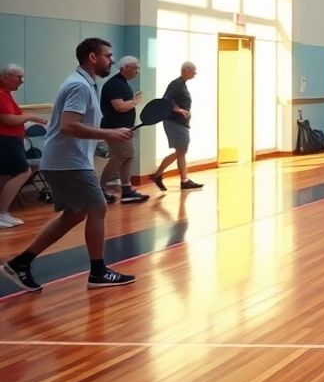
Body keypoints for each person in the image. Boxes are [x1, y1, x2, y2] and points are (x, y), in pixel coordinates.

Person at [1, 38, 137, 291]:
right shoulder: (79, 86)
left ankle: (21, 263)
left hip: (66, 161)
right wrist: (109, 134)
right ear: (92, 57)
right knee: (97, 208)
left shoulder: (85, 83)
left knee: (74, 214)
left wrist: (104, 136)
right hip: (68, 163)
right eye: (107, 55)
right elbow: (69, 125)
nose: (112, 60)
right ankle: (98, 272)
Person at [0, 64, 48, 228]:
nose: (21, 81)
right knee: (23, 171)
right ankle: (2, 213)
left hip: (9, 140)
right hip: (6, 141)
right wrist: (32, 117)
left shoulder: (6, 94)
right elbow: (8, 119)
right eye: (18, 77)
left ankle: (2, 212)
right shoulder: (2, 95)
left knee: (6, 176)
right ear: (5, 77)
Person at [99, 56, 150, 203]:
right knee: (121, 156)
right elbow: (119, 107)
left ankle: (126, 190)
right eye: (135, 67)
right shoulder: (115, 84)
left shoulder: (122, 83)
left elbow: (123, 104)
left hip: (123, 127)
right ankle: (99, 189)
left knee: (127, 156)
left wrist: (132, 100)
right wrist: (135, 101)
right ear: (125, 67)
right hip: (115, 128)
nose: (137, 71)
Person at [150, 62, 203, 191]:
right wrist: (178, 110)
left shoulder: (182, 84)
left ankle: (182, 179)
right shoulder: (176, 84)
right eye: (193, 71)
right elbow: (166, 99)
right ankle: (160, 174)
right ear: (185, 70)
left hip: (180, 123)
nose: (195, 74)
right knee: (181, 151)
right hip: (175, 122)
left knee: (181, 152)